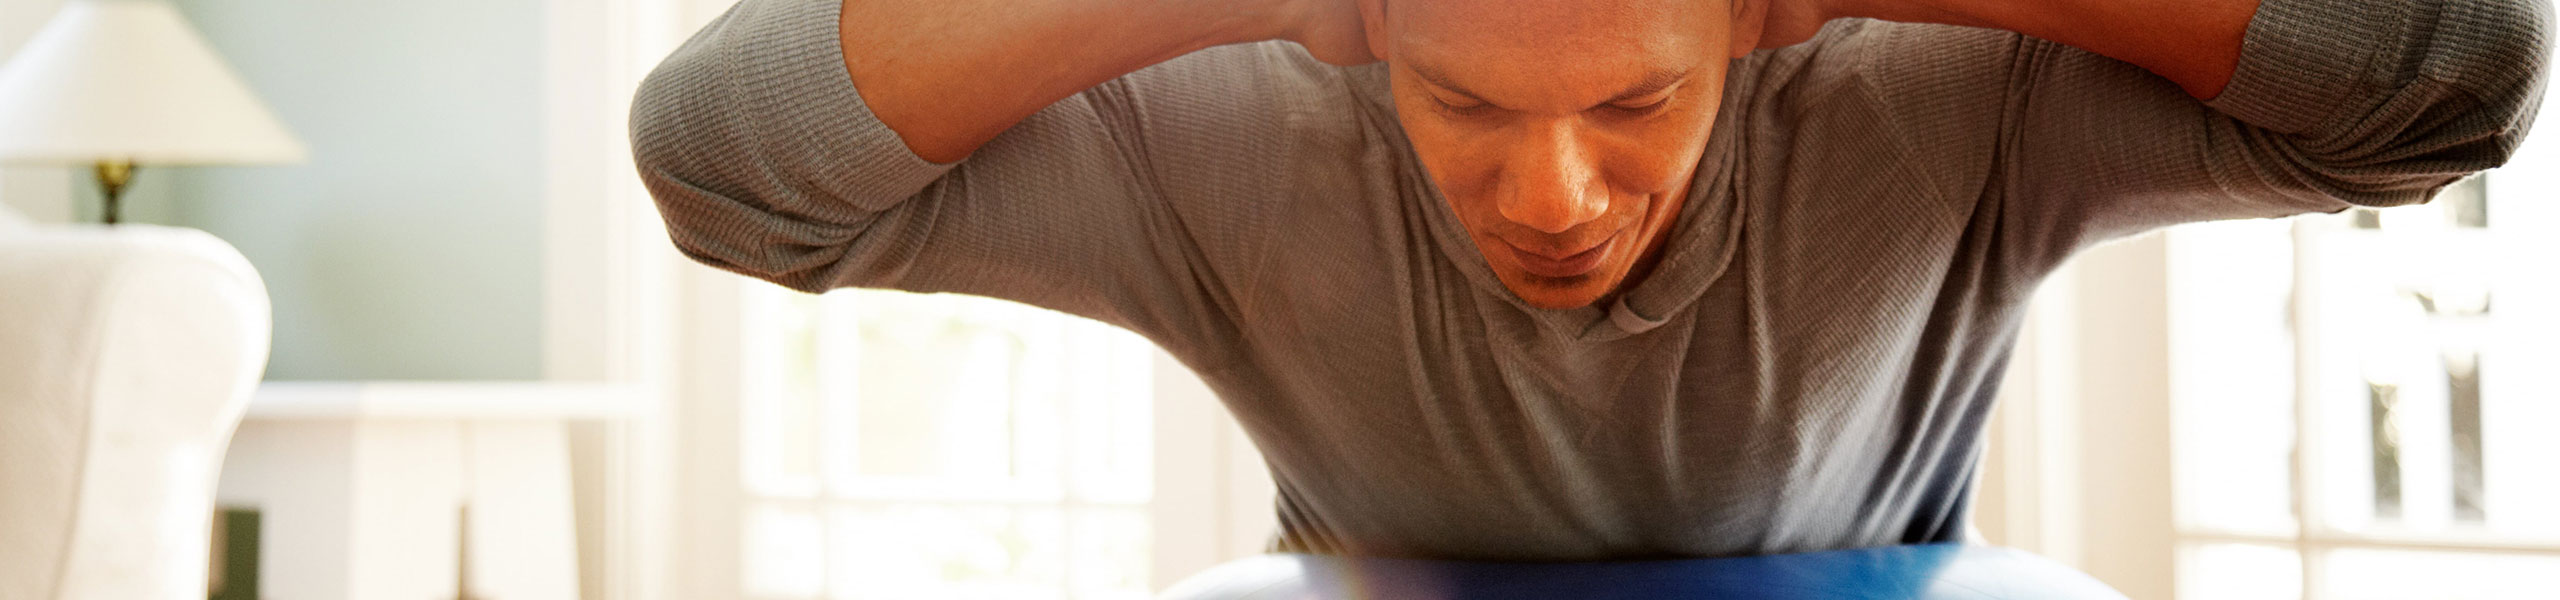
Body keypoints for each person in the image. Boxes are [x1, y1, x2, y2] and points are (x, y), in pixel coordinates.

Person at [631, 0, 2548, 560]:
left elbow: (2454, 70)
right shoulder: (1216, 135)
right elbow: (725, 170)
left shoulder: (1949, 105)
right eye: (1466, 104)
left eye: (1636, 101)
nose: (1551, 193)